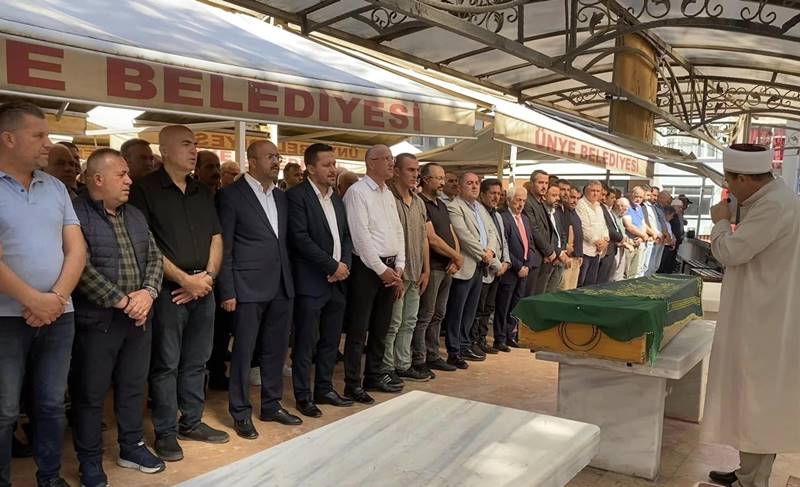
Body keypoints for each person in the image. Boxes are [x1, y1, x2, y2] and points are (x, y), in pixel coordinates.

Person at [129, 125, 229, 462]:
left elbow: (216, 237)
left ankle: (192, 422)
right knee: (166, 364)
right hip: (168, 292)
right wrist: (185, 280)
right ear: (165, 151)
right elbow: (146, 245)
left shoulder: (201, 190)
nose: (193, 150)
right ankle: (166, 432)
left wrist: (207, 278)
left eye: (195, 144)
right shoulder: (144, 190)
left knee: (197, 361)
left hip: (204, 290)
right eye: (186, 144)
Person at [0, 101, 86, 487]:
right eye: (39, 135)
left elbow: (77, 249)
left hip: (59, 314)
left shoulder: (54, 187)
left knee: (51, 404)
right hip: (5, 318)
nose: (48, 144)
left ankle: (49, 479)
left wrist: (55, 298)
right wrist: (35, 301)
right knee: (4, 410)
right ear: (9, 139)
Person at [703, 144, 800, 487]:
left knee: (757, 399)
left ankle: (753, 481)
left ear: (744, 179)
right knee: (753, 398)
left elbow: (730, 252)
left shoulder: (773, 205)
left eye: (730, 181)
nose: (728, 188)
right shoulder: (771, 199)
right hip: (762, 311)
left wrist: (720, 222)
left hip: (763, 319)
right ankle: (749, 472)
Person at [71, 149, 166, 486]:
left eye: (128, 174)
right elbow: (80, 269)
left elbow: (155, 258)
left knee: (132, 388)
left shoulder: (134, 214)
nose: (129, 181)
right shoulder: (76, 215)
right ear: (98, 179)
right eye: (121, 175)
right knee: (90, 395)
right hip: (97, 322)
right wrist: (124, 301)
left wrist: (148, 293)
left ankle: (132, 447)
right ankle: (89, 460)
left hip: (138, 320)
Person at [217, 140, 299, 439]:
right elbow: (225, 246)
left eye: (277, 156)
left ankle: (271, 405)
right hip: (246, 286)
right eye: (269, 157)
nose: (276, 162)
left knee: (276, 349)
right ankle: (240, 411)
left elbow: (282, 242)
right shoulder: (230, 195)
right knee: (243, 352)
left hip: (281, 284)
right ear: (251, 161)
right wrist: (227, 290)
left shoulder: (280, 196)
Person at [287, 143, 354, 418]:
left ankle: (324, 389)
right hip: (311, 281)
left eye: (334, 164)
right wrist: (331, 266)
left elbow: (346, 235)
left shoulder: (336, 198)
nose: (333, 169)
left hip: (337, 281)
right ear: (310, 168)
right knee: (305, 343)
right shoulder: (297, 196)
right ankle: (303, 396)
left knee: (330, 341)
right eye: (327, 165)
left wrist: (344, 265)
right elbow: (299, 238)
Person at [342, 145, 405, 403]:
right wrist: (381, 270)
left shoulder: (387, 192)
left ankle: (374, 375)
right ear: (371, 163)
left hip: (390, 268)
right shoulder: (357, 192)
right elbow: (360, 237)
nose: (391, 163)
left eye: (392, 158)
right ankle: (352, 383)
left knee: (381, 326)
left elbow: (397, 230)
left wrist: (400, 265)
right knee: (359, 329)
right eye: (386, 158)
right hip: (367, 269)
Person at [382, 153, 430, 383]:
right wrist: (394, 274)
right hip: (396, 273)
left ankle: (403, 364)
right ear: (396, 171)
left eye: (417, 170)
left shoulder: (419, 202)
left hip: (416, 272)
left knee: (409, 321)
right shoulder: (388, 199)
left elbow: (424, 239)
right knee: (393, 323)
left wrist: (426, 270)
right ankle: (386, 366)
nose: (415, 175)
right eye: (410, 170)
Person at [444, 173, 499, 368]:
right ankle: (454, 350)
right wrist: (483, 254)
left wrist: (491, 251)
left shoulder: (479, 207)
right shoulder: (454, 206)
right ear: (459, 187)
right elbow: (463, 235)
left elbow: (491, 232)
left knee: (470, 310)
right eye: (469, 183)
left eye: (476, 183)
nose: (475, 186)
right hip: (466, 264)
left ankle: (465, 344)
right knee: (457, 311)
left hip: (480, 265)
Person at [413, 163, 460, 375]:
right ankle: (419, 358)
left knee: (439, 314)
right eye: (438, 178)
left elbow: (451, 231)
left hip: (447, 267)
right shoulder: (421, 203)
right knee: (425, 315)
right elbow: (431, 239)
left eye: (443, 178)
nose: (442, 182)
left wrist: (456, 257)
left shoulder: (441, 204)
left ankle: (433, 355)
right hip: (432, 267)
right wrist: (456, 256)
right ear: (425, 179)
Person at [470, 178, 509, 356]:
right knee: (478, 309)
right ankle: (473, 341)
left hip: (498, 269)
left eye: (499, 194)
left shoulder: (498, 215)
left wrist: (506, 261)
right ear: (483, 194)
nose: (496, 197)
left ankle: (482, 339)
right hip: (486, 267)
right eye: (492, 193)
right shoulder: (479, 212)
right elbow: (484, 243)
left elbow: (502, 240)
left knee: (488, 308)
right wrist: (496, 264)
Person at [494, 186, 536, 351]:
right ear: (509, 200)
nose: (521, 204)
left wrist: (528, 265)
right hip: (511, 270)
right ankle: (499, 338)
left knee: (516, 305)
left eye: (524, 201)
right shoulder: (504, 218)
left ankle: (510, 335)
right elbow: (505, 246)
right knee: (503, 305)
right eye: (518, 200)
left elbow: (530, 244)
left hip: (524, 270)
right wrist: (518, 266)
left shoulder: (525, 219)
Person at [523, 170, 564, 295]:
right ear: (532, 183)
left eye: (546, 183)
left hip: (545, 257)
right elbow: (534, 230)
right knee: (530, 294)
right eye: (540, 182)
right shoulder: (527, 202)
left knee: (539, 294)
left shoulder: (541, 202)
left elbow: (549, 230)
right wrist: (550, 251)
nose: (544, 186)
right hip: (535, 257)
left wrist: (551, 252)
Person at [575, 181, 609, 287]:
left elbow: (604, 226)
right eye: (593, 190)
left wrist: (605, 240)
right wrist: (597, 242)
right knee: (580, 282)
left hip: (597, 251)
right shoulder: (580, 204)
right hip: (585, 250)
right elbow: (584, 227)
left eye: (598, 191)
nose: (595, 193)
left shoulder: (599, 206)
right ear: (586, 191)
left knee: (591, 282)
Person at [597, 184, 624, 284]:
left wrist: (621, 237)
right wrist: (621, 238)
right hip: (606, 249)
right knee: (601, 279)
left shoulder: (609, 210)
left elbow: (616, 227)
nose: (614, 200)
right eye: (612, 198)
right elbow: (609, 229)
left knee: (607, 278)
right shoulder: (601, 209)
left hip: (612, 249)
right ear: (605, 198)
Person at [558, 183, 583, 290]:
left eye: (577, 198)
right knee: (563, 290)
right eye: (572, 197)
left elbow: (579, 234)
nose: (575, 201)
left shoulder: (575, 213)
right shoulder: (560, 212)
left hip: (576, 258)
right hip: (565, 258)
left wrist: (580, 254)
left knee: (571, 290)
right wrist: (564, 252)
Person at [622, 187, 649, 279]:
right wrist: (643, 235)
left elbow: (643, 224)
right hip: (629, 241)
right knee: (626, 272)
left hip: (639, 242)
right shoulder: (627, 206)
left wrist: (641, 237)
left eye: (641, 197)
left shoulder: (639, 208)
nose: (638, 199)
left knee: (634, 271)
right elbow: (629, 226)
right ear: (631, 194)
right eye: (636, 196)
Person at [611, 197, 633, 282]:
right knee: (612, 274)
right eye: (625, 209)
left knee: (619, 275)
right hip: (614, 247)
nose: (625, 211)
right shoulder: (612, 216)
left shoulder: (620, 217)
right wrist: (625, 243)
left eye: (627, 209)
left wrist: (628, 239)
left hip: (621, 246)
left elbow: (622, 232)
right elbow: (614, 233)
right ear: (618, 206)